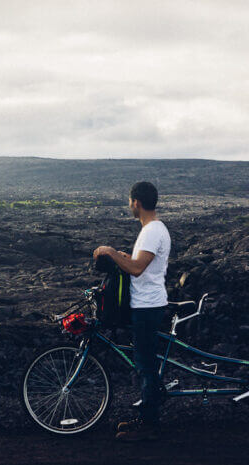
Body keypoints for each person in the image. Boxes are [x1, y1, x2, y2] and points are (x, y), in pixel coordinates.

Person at [92, 181, 170, 442]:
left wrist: (112, 252)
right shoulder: (153, 230)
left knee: (145, 365)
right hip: (147, 303)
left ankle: (149, 425)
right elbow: (139, 265)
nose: (129, 206)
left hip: (148, 306)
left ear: (136, 202)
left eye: (130, 201)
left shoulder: (151, 231)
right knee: (145, 362)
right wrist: (122, 256)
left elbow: (137, 269)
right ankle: (149, 415)